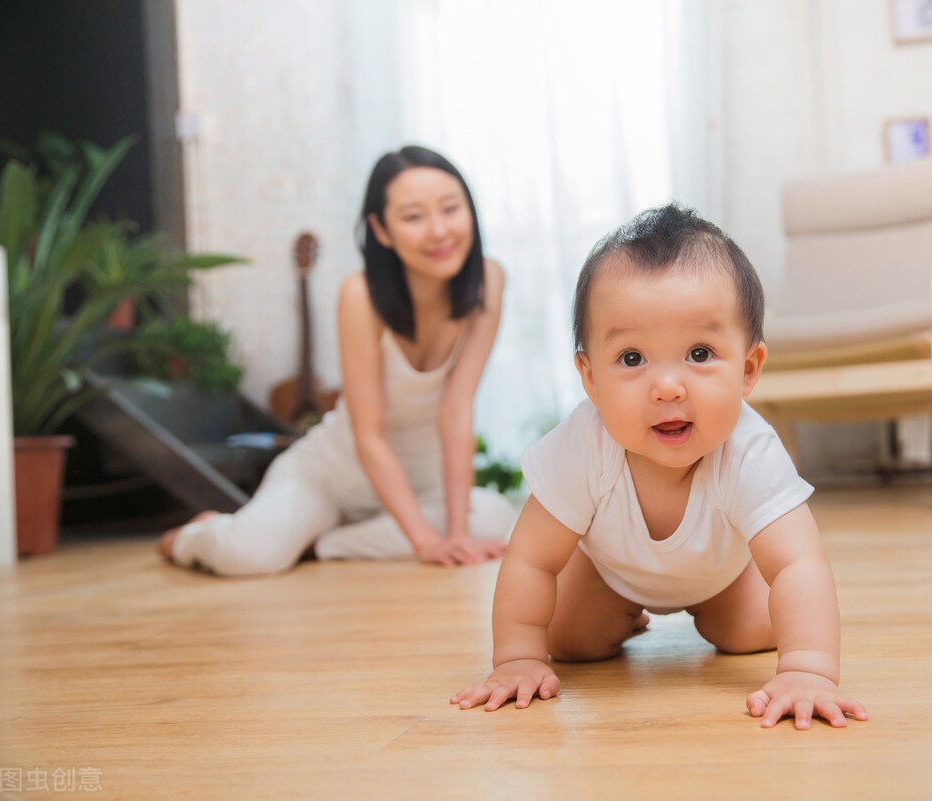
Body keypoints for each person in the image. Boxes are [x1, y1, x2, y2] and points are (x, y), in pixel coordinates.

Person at [450, 204, 868, 729]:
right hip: (609, 575)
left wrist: (808, 670)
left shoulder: (748, 450)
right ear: (590, 379)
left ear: (748, 369)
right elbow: (531, 559)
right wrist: (516, 658)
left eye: (700, 353)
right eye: (632, 358)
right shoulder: (584, 445)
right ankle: (623, 612)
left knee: (753, 631)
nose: (668, 387)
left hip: (724, 577)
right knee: (570, 640)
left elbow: (797, 563)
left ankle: (716, 610)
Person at [158, 146, 517, 575]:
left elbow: (456, 410)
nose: (439, 231)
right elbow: (369, 437)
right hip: (331, 477)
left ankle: (320, 544)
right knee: (248, 557)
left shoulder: (489, 280)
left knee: (495, 517)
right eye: (414, 217)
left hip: (422, 484)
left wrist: (457, 535)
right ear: (381, 230)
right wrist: (424, 542)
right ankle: (197, 534)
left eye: (450, 209)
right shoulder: (361, 295)